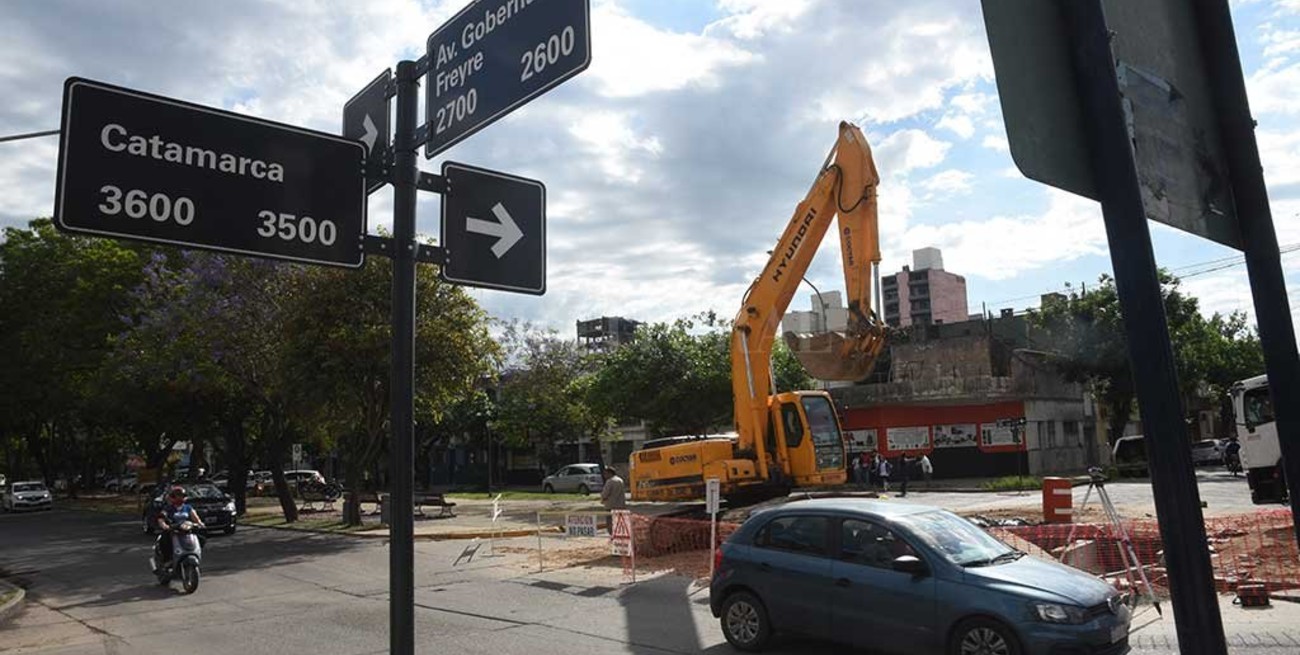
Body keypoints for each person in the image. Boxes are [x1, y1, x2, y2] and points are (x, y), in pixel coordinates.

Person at [154, 486, 205, 570]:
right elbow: (161, 518)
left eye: (181, 495)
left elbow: (195, 517)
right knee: (165, 539)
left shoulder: (188, 507)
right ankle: (168, 559)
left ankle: (195, 553)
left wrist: (199, 523)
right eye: (177, 495)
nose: (179, 497)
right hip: (173, 529)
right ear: (172, 497)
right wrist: (164, 525)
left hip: (186, 529)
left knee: (201, 537)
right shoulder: (168, 508)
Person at [599, 466, 627, 532]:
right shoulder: (620, 480)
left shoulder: (610, 481)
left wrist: (602, 499)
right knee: (619, 523)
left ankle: (612, 534)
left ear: (609, 473)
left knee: (610, 523)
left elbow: (605, 494)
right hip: (621, 505)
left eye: (605, 474)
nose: (604, 476)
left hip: (611, 506)